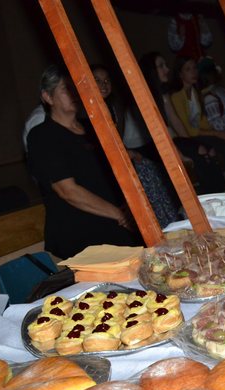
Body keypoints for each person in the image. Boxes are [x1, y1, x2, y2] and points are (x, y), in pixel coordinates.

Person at [27, 65, 142, 259]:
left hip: (116, 224)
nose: (74, 94)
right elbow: (67, 190)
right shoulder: (42, 136)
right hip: (80, 233)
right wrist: (120, 215)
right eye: (66, 89)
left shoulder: (93, 127)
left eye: (76, 88)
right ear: (48, 97)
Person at [91, 64, 178, 227]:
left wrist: (128, 153)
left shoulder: (113, 106)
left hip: (118, 157)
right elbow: (97, 146)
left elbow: (117, 140)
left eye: (107, 80)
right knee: (144, 173)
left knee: (153, 169)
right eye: (97, 80)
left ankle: (168, 223)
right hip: (98, 163)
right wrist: (128, 154)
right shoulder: (85, 111)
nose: (103, 84)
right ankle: (156, 225)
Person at [138, 51, 225, 194]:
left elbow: (175, 121)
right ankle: (211, 196)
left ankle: (222, 192)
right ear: (151, 71)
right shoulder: (145, 97)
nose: (167, 69)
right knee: (200, 152)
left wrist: (192, 142)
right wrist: (183, 153)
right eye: (161, 66)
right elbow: (159, 134)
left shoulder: (164, 94)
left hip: (172, 139)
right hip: (150, 146)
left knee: (208, 149)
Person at [169, 55, 225, 179]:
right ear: (180, 74)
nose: (193, 72)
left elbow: (202, 121)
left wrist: (219, 132)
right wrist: (216, 134)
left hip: (199, 133)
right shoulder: (176, 97)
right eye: (188, 69)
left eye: (194, 68)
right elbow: (187, 129)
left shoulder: (195, 92)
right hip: (188, 137)